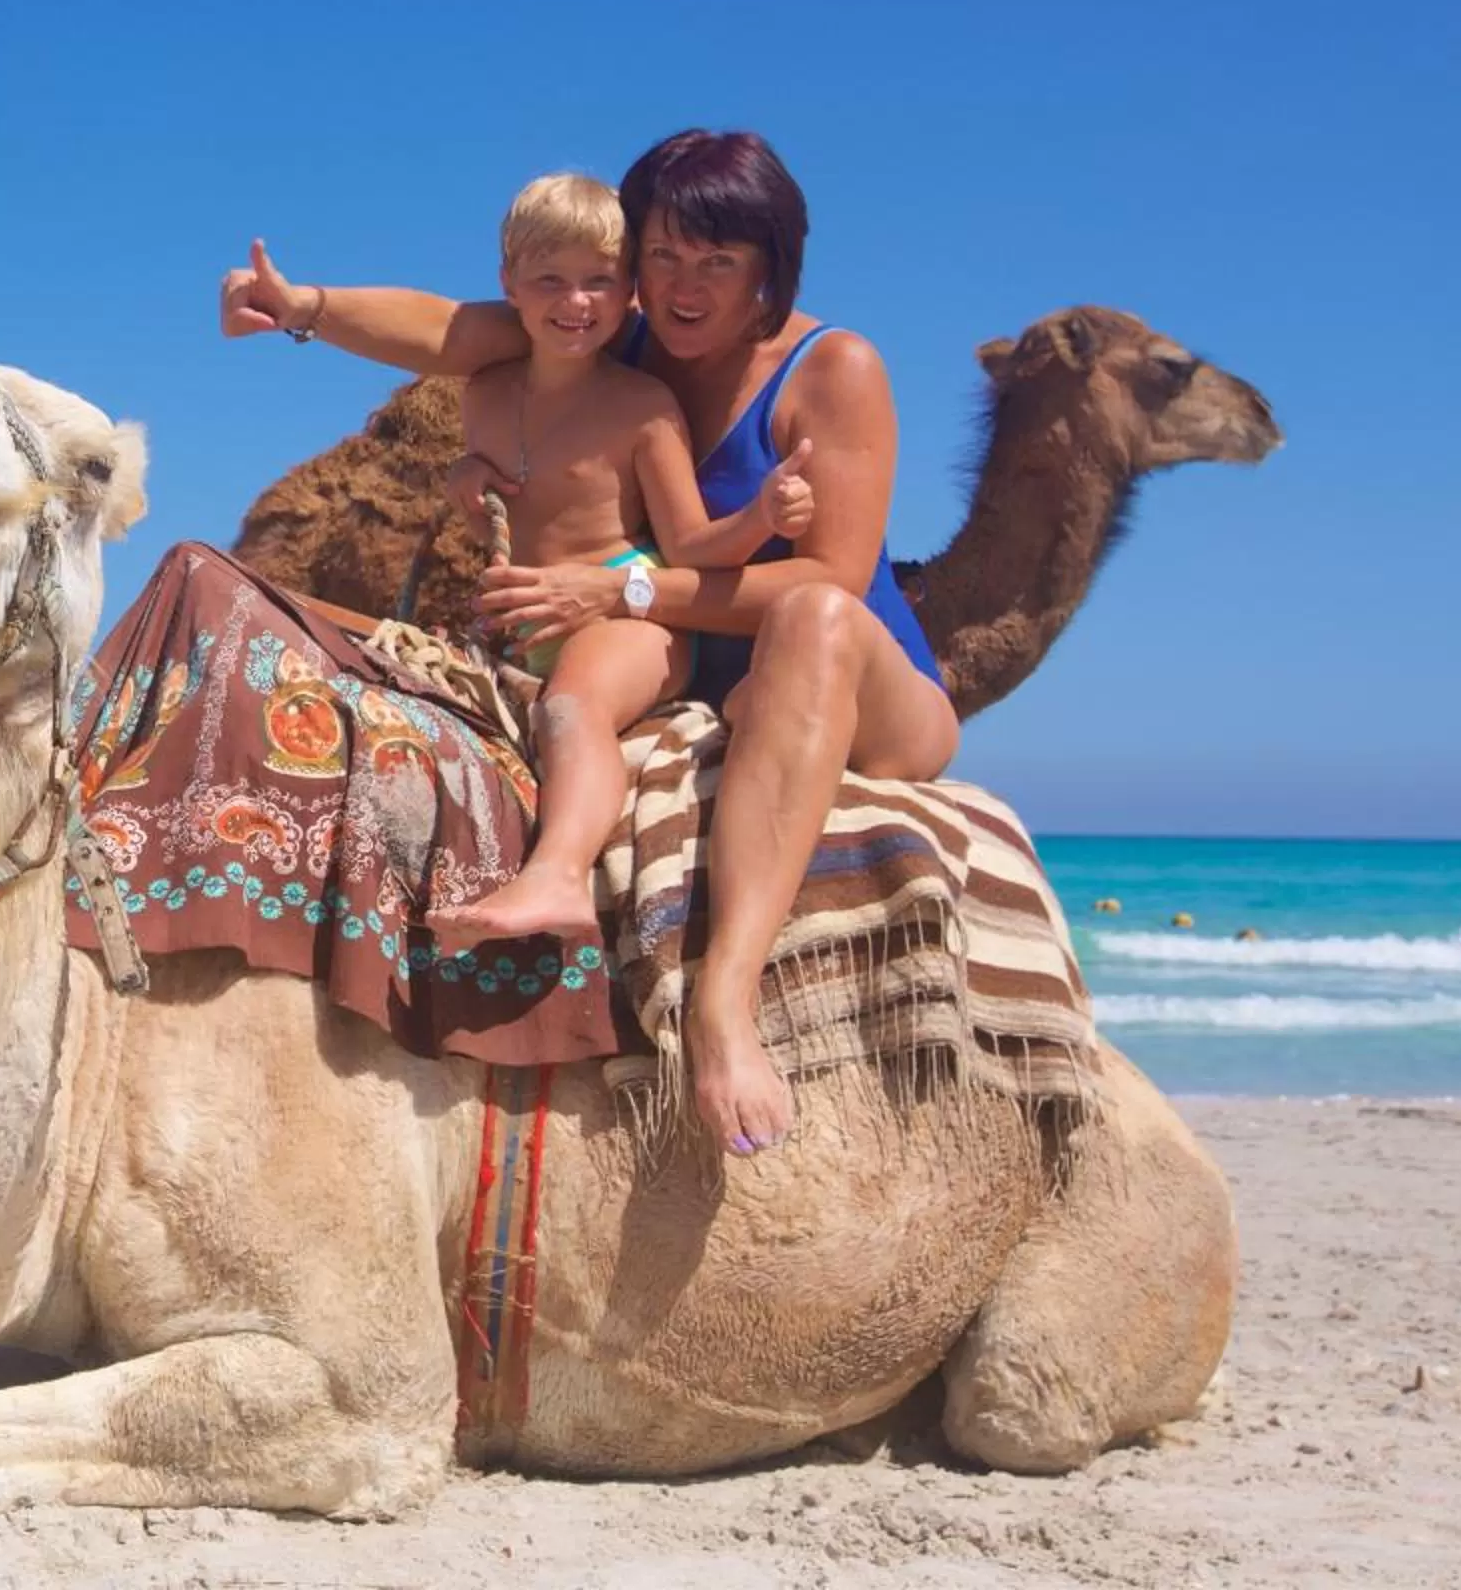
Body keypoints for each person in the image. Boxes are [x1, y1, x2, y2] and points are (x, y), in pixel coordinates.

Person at [220, 130, 957, 1157]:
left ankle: (723, 1006)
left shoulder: (832, 367)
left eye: (718, 262)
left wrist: (622, 585)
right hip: (708, 679)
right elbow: (447, 331)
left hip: (864, 686)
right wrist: (297, 306)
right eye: (664, 256)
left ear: (770, 266)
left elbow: (828, 576)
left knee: (814, 618)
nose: (684, 285)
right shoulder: (615, 335)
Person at [422, 172, 813, 945]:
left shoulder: (644, 407)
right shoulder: (485, 396)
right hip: (528, 620)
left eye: (600, 282)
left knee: (574, 706)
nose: (577, 303)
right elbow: (506, 511)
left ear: (629, 289)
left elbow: (695, 547)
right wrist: (466, 478)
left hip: (634, 614)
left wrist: (761, 515)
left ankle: (558, 876)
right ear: (509, 285)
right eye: (551, 281)